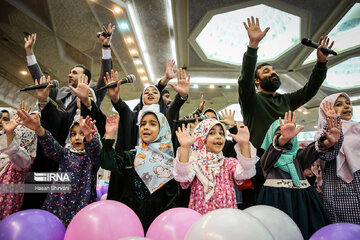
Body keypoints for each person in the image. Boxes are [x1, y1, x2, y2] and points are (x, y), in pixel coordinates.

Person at [238, 16, 334, 206]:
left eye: (273, 71)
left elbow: (310, 90)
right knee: (263, 208)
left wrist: (321, 63)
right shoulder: (251, 100)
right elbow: (244, 78)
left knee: (288, 205)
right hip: (260, 163)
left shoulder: (286, 100)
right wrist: (252, 46)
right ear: (256, 81)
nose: (273, 73)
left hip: (289, 163)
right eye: (266, 72)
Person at [258, 111, 342, 238]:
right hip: (277, 204)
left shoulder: (297, 157)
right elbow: (268, 157)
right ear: (271, 138)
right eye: (278, 134)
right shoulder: (268, 159)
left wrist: (326, 143)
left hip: (303, 205)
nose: (286, 137)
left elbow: (311, 151)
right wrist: (282, 140)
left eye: (290, 135)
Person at [18, 110, 101, 226]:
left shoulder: (92, 159)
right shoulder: (65, 154)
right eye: (73, 134)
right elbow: (51, 145)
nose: (77, 137)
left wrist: (88, 137)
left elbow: (95, 150)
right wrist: (39, 129)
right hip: (59, 204)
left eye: (82, 133)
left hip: (82, 204)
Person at [101, 112, 182, 231]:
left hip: (157, 224)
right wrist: (109, 136)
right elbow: (107, 162)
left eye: (153, 124)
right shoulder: (131, 157)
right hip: (128, 221)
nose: (146, 127)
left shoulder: (170, 164)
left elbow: (172, 200)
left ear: (163, 130)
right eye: (143, 124)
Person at [23, 24, 115, 112]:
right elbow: (40, 80)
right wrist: (29, 51)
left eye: (74, 73)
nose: (69, 75)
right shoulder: (62, 92)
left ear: (85, 78)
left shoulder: (93, 91)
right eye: (70, 72)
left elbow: (106, 75)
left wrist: (106, 47)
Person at [173, 119, 257, 214]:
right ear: (202, 138)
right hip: (202, 219)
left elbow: (245, 171)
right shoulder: (195, 164)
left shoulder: (228, 163)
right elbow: (182, 175)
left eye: (221, 133)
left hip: (225, 217)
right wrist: (185, 147)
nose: (219, 137)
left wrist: (244, 144)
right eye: (212, 133)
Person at [316, 93, 360, 224]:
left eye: (348, 103)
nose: (346, 106)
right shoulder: (323, 132)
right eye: (339, 104)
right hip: (340, 187)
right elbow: (327, 154)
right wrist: (330, 140)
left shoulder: (357, 127)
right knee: (347, 230)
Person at [0, 102, 37, 219]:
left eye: (6, 119)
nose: (2, 122)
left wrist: (10, 134)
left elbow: (14, 151)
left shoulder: (21, 159)